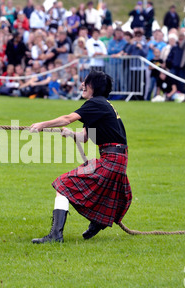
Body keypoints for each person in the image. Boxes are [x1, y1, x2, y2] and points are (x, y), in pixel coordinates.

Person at [29, 70, 132, 243]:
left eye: (86, 82)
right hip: (116, 158)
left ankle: (56, 235)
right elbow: (85, 137)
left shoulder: (96, 103)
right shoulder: (101, 105)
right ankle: (98, 221)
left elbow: (68, 118)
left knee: (63, 185)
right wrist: (70, 134)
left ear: (94, 86)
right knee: (95, 191)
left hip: (112, 158)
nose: (82, 85)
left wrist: (42, 124)